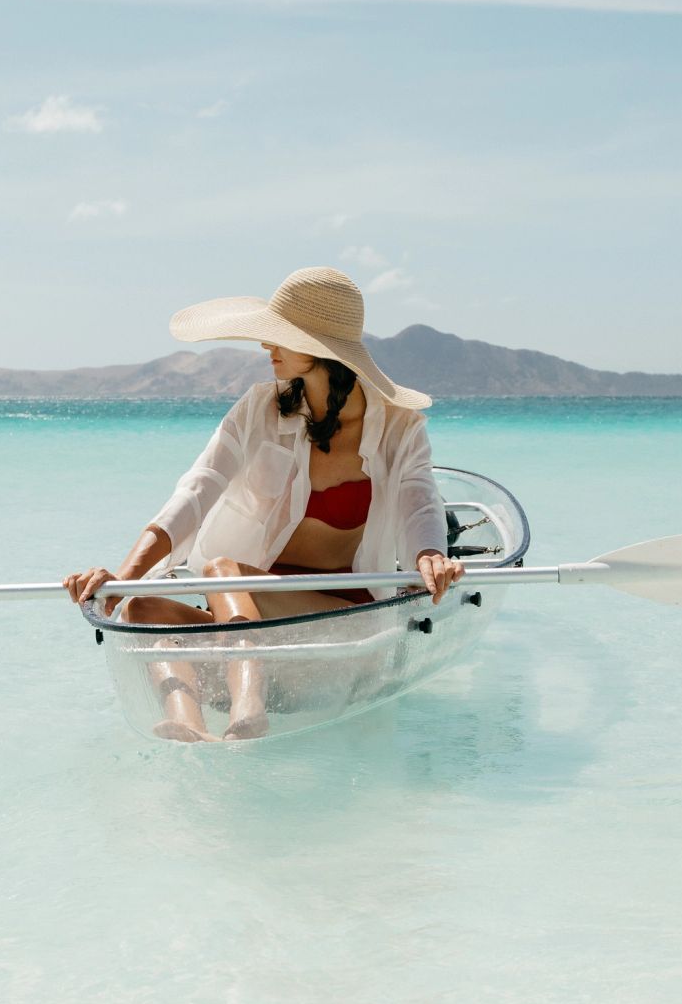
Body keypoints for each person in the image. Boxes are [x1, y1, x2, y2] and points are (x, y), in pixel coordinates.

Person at [65, 266, 464, 742]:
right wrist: (122, 581)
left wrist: (430, 557)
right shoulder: (259, 408)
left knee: (220, 570)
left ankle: (249, 704)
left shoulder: (400, 428)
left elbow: (419, 500)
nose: (264, 346)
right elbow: (197, 489)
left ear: (318, 349)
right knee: (145, 607)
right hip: (251, 616)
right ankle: (187, 724)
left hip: (341, 616)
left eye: (280, 336)